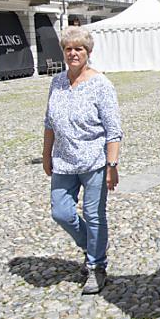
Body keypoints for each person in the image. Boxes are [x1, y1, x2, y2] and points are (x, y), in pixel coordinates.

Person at [43, 27, 122, 295]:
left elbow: (113, 130)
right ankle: (93, 244)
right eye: (69, 49)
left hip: (94, 162)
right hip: (63, 161)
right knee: (61, 212)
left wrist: (112, 165)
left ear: (88, 52)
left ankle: (96, 266)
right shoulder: (57, 82)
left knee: (94, 215)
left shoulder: (101, 84)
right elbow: (49, 122)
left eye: (79, 49)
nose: (73, 53)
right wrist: (46, 154)